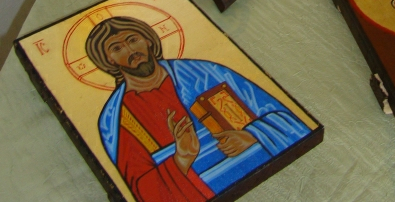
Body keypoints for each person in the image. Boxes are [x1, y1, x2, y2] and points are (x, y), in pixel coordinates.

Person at [86, 16, 310, 202]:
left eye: (133, 40)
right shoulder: (118, 117)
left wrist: (252, 134)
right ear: (109, 60)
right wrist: (182, 158)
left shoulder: (204, 73)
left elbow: (286, 118)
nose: (130, 50)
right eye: (117, 48)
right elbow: (142, 189)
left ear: (147, 40)